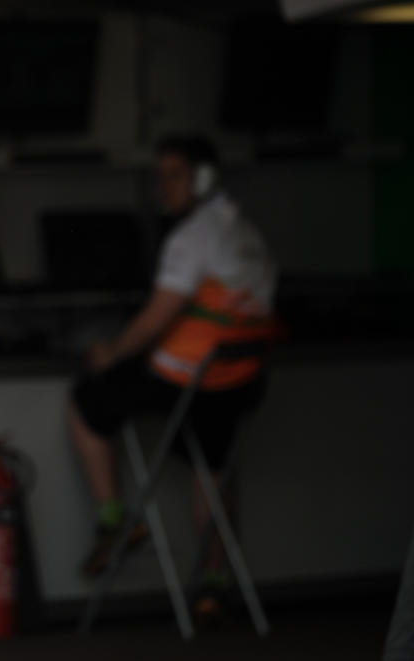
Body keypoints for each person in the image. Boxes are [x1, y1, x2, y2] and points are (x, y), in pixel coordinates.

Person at [70, 134, 276, 616]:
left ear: (203, 178)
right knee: (212, 467)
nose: (163, 187)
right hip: (241, 383)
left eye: (174, 176)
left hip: (189, 382)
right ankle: (212, 581)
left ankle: (116, 520)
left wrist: (112, 351)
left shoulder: (192, 238)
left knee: (88, 398)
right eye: (159, 176)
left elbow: (155, 319)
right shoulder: (247, 233)